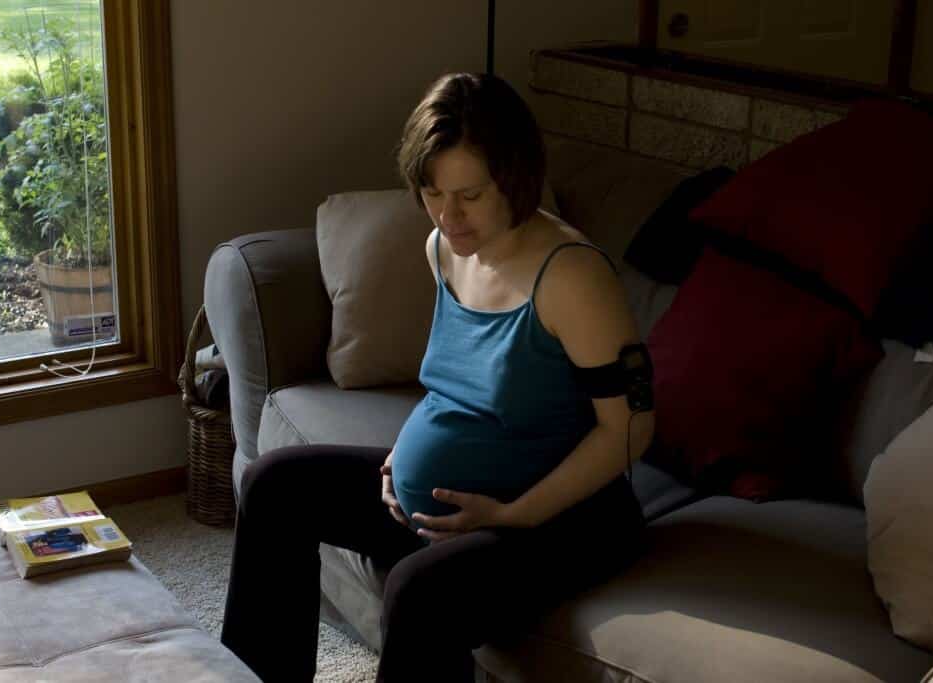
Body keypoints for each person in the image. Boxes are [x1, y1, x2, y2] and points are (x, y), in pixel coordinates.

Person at [220, 72, 654, 683]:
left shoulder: (572, 277)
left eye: (469, 195)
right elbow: (456, 383)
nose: (448, 215)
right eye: (431, 192)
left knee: (420, 590)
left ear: (515, 176)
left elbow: (630, 431)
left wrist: (516, 514)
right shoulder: (444, 248)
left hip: (565, 521)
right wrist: (405, 455)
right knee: (275, 485)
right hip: (454, 508)